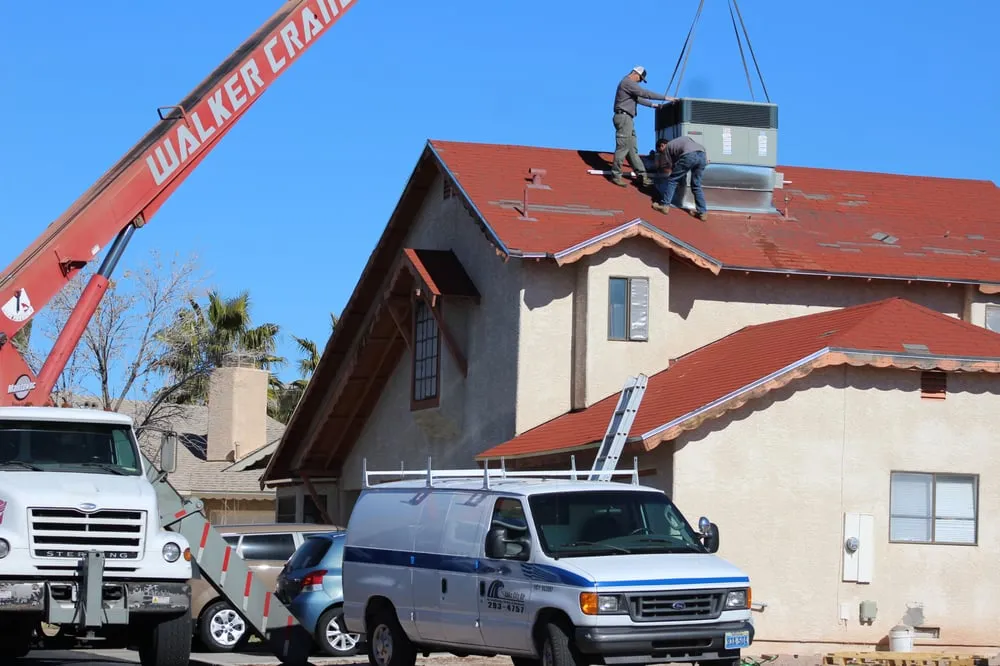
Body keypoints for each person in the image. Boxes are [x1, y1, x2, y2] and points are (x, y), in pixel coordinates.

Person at [611, 66, 674, 188]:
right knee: (623, 147)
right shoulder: (627, 82)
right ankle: (616, 175)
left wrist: (653, 105)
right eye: (640, 78)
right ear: (635, 73)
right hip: (624, 117)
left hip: (627, 118)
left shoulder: (628, 85)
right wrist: (665, 98)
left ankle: (642, 176)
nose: (639, 81)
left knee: (632, 149)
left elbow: (638, 98)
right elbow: (644, 93)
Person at [650, 135, 709, 220]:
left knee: (672, 180)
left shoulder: (668, 147)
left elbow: (672, 166)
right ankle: (702, 213)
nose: (662, 154)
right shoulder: (680, 141)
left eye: (660, 152)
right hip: (702, 155)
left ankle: (664, 206)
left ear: (662, 145)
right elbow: (680, 165)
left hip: (690, 155)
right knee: (696, 185)